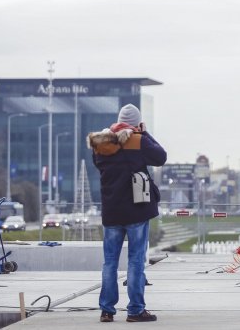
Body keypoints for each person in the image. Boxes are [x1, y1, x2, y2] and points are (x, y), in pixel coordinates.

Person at [88, 104, 167, 323]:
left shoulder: (102, 143)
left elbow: (99, 164)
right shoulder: (138, 140)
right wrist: (143, 132)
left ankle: (106, 310)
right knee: (135, 261)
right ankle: (135, 310)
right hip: (136, 210)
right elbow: (160, 157)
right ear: (137, 123)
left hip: (111, 211)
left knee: (109, 262)